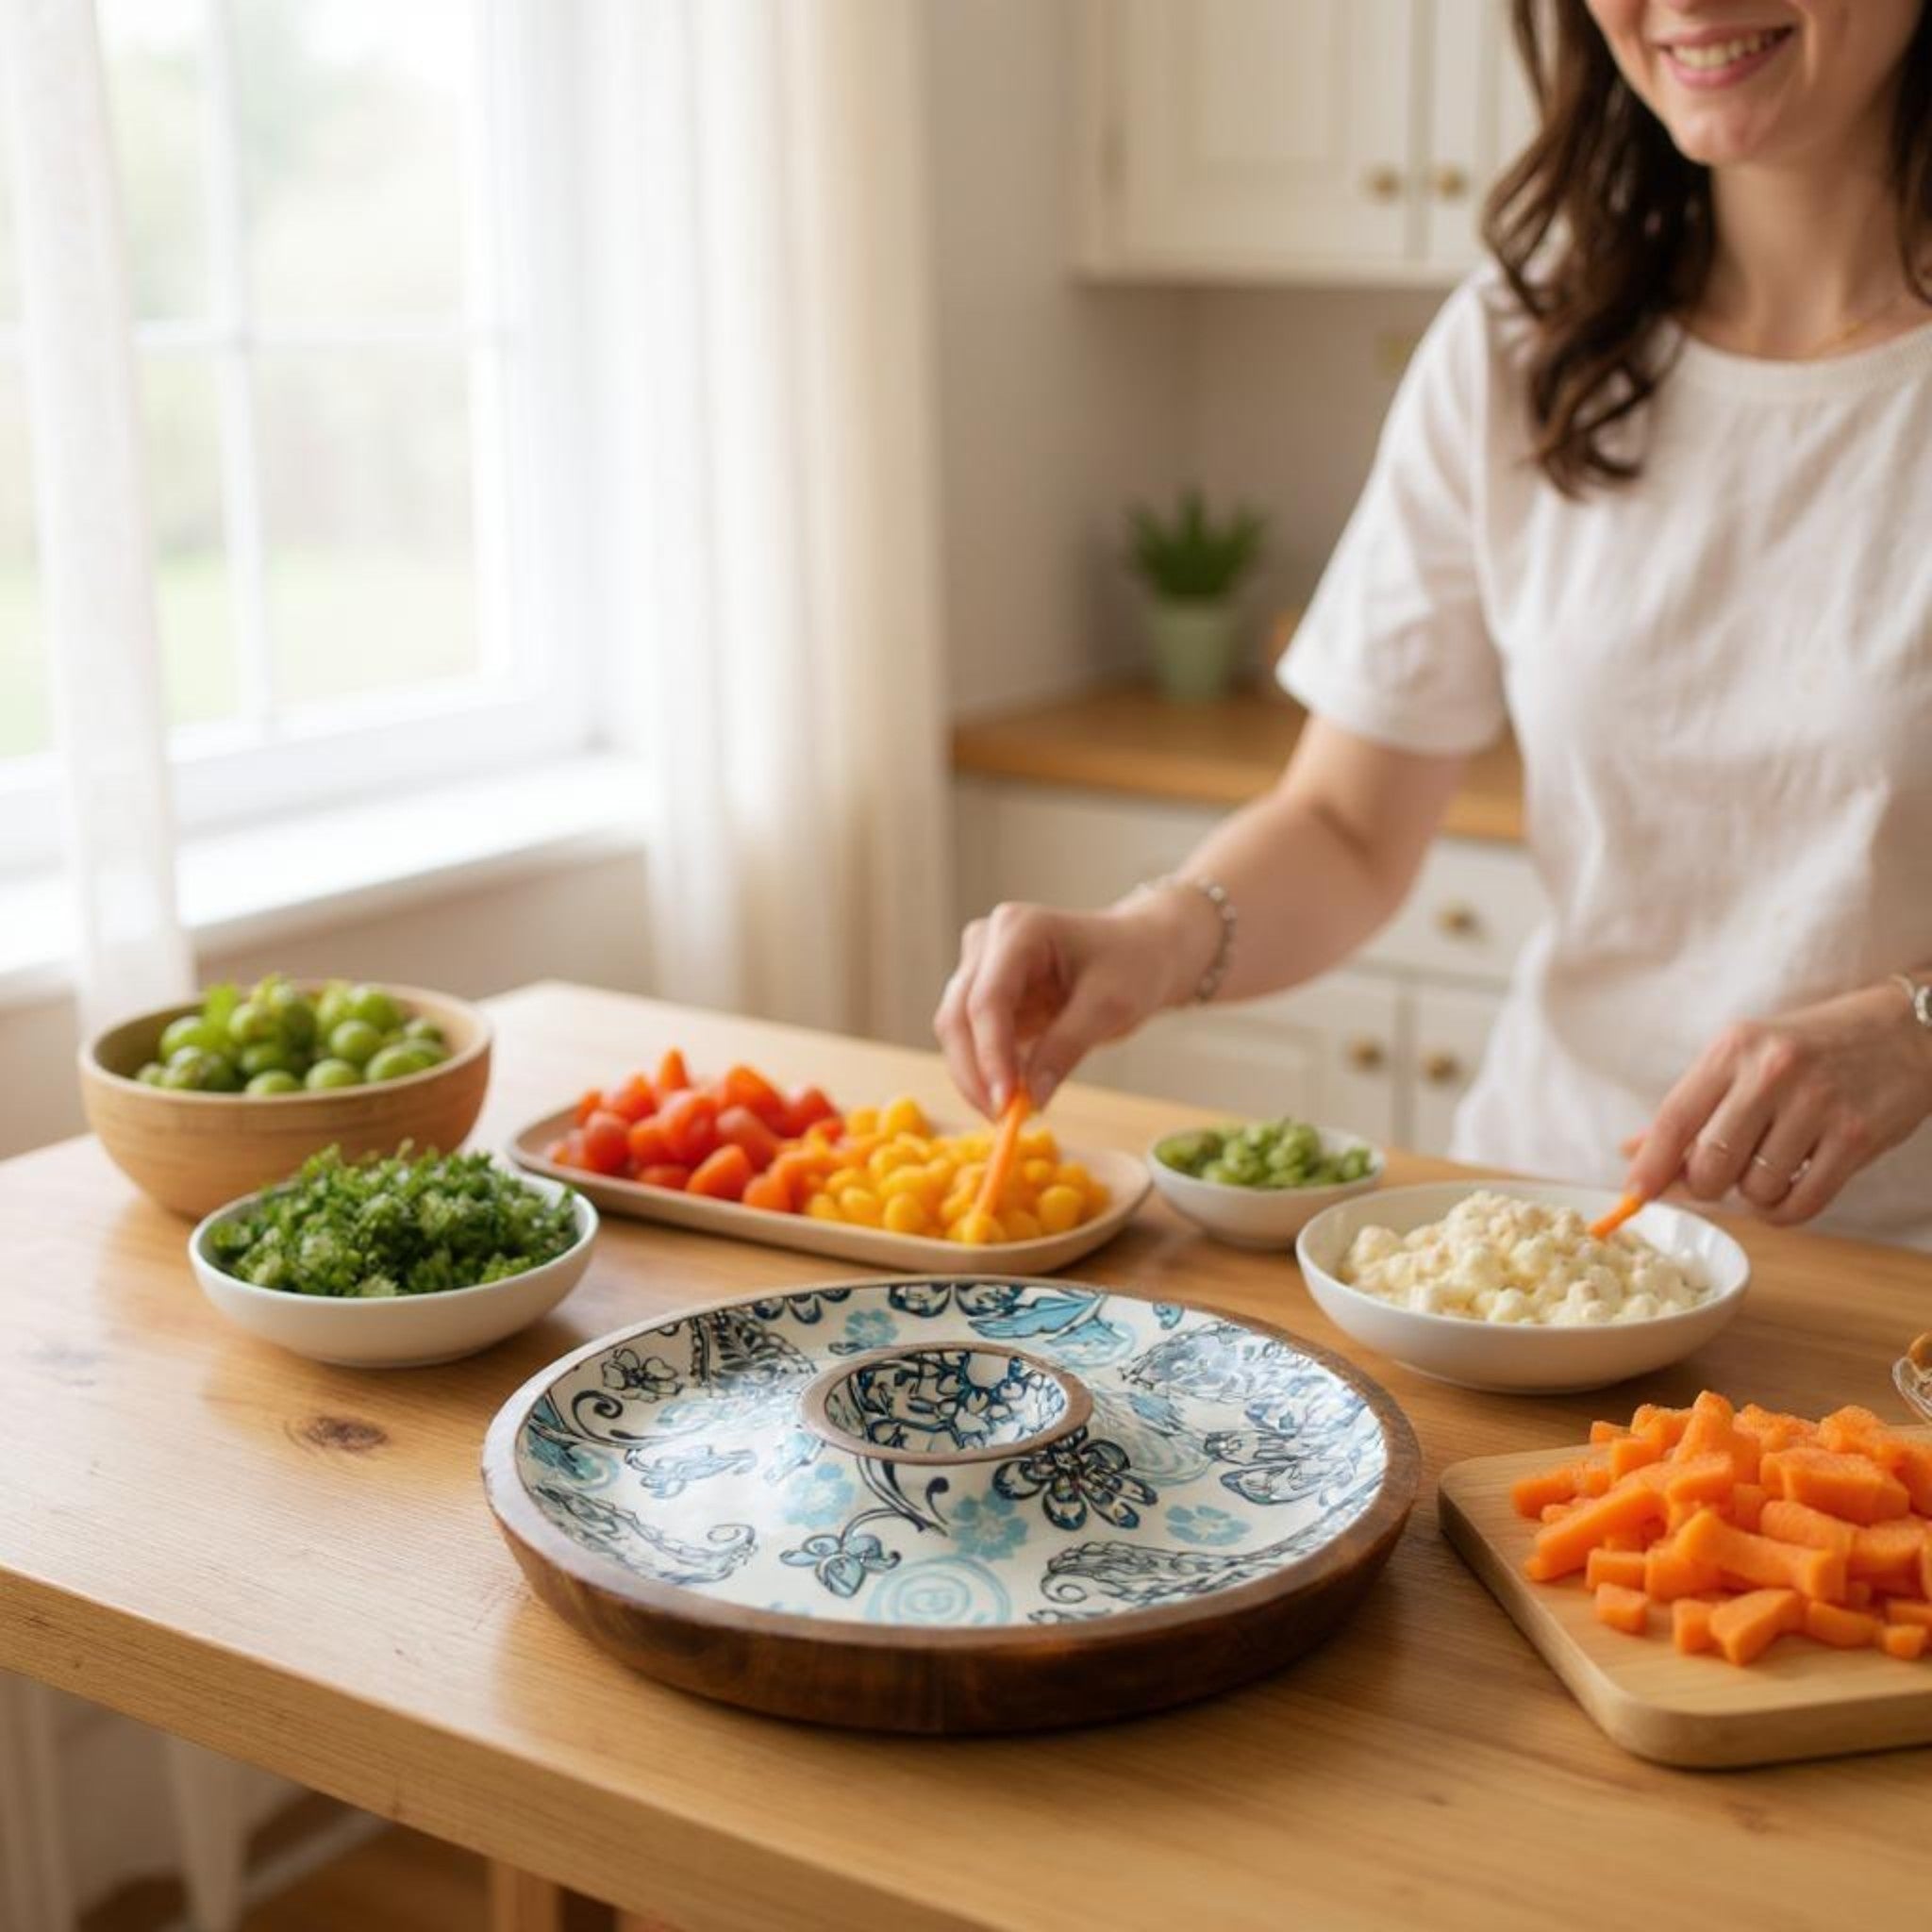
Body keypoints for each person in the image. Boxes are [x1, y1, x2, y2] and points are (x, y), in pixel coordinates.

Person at [936, 0, 1932, 1250]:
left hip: (1895, 1290)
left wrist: (1917, 1032)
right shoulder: (1519, 351)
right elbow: (1347, 824)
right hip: (1551, 1232)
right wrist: (1148, 938)